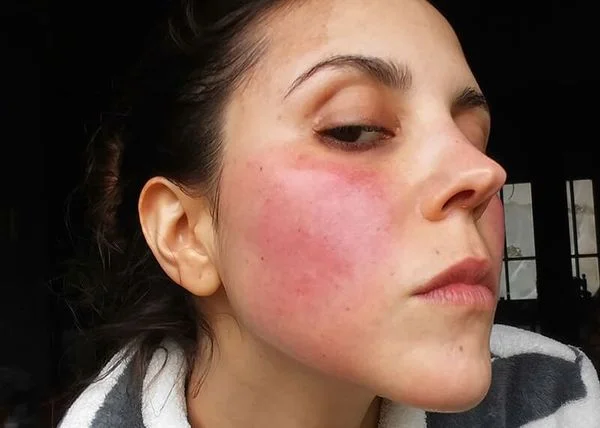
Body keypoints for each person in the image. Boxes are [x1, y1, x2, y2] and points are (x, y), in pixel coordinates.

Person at [58, 0, 600, 427]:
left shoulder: (558, 398)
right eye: (354, 129)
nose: (484, 173)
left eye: (473, 138)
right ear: (186, 234)